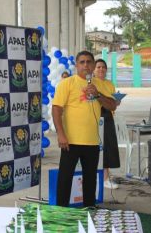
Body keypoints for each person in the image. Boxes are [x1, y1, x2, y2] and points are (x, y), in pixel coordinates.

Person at [52, 50, 116, 207]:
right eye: (82, 62)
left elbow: (112, 105)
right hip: (70, 141)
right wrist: (60, 134)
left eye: (89, 62)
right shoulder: (67, 84)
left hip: (92, 141)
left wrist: (98, 95)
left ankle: (89, 209)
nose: (86, 65)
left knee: (90, 179)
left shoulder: (101, 84)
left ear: (94, 65)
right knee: (65, 178)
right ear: (76, 65)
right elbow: (56, 109)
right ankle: (62, 212)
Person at [93, 59, 120, 189]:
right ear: (94, 69)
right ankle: (94, 177)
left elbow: (113, 102)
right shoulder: (91, 82)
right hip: (96, 116)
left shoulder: (110, 84)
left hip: (108, 117)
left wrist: (116, 102)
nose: (101, 69)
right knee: (96, 150)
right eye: (98, 67)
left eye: (103, 67)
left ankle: (105, 178)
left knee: (108, 149)